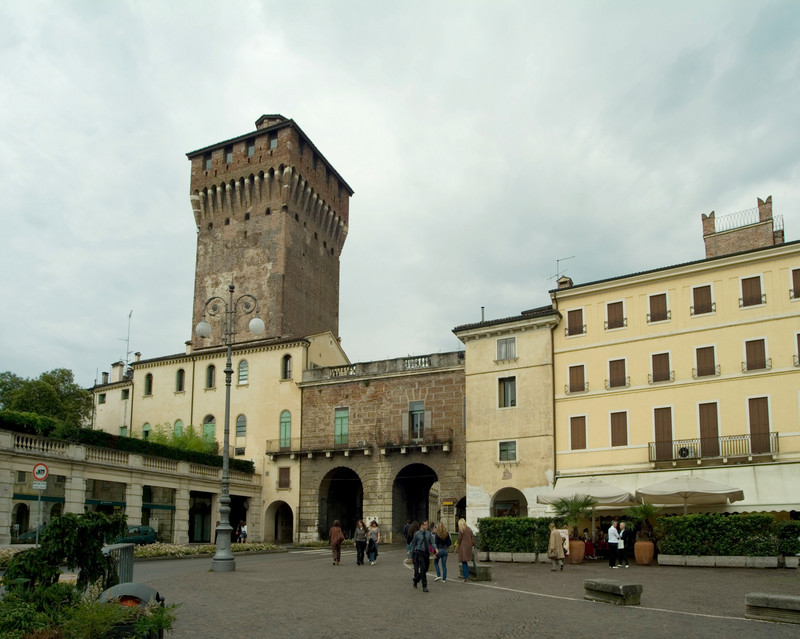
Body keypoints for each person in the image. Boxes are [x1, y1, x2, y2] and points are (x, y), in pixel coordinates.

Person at [410, 519, 437, 592]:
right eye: (425, 524)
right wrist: (411, 555)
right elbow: (413, 545)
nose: (427, 526)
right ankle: (424, 586)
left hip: (426, 552)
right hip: (419, 552)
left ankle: (416, 579)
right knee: (422, 568)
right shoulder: (417, 534)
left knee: (426, 569)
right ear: (421, 525)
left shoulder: (428, 533)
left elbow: (432, 542)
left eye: (427, 524)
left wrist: (435, 548)